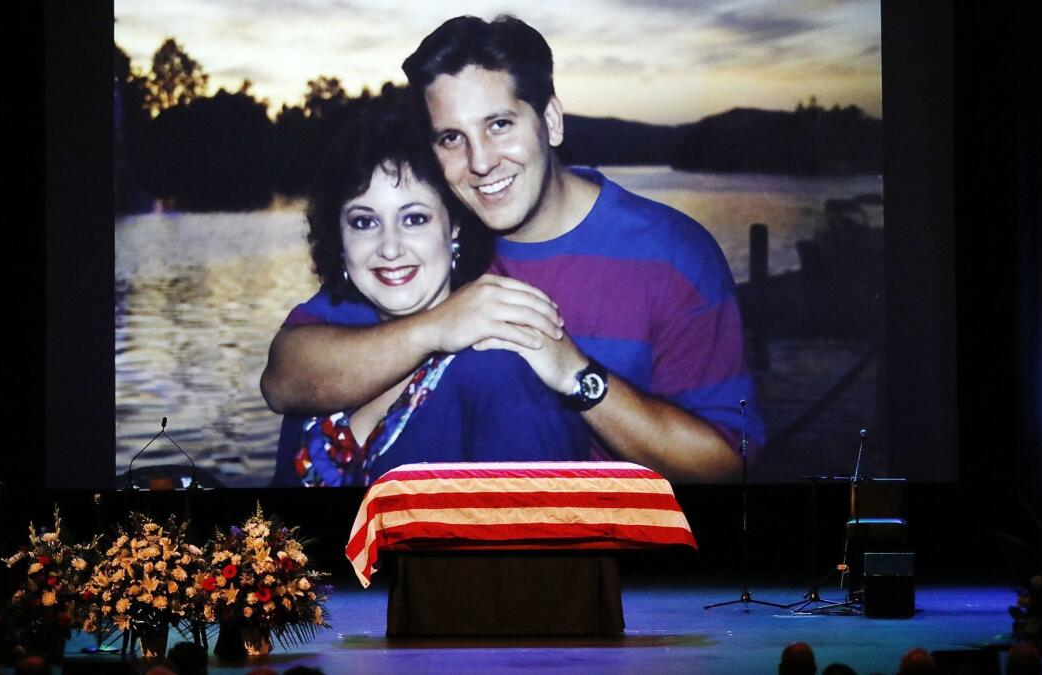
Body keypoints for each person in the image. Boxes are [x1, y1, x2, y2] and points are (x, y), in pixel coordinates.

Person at [261, 15, 761, 483]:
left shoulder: (672, 255)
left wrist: (578, 376)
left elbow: (726, 463)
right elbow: (286, 376)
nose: (480, 162)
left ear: (552, 121)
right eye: (452, 137)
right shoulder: (432, 248)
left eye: (499, 125)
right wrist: (439, 325)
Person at [270, 107, 588, 486]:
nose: (390, 248)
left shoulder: (499, 368)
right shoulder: (330, 331)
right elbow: (277, 382)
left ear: (454, 225)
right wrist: (436, 328)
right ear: (339, 238)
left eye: (414, 218)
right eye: (364, 222)